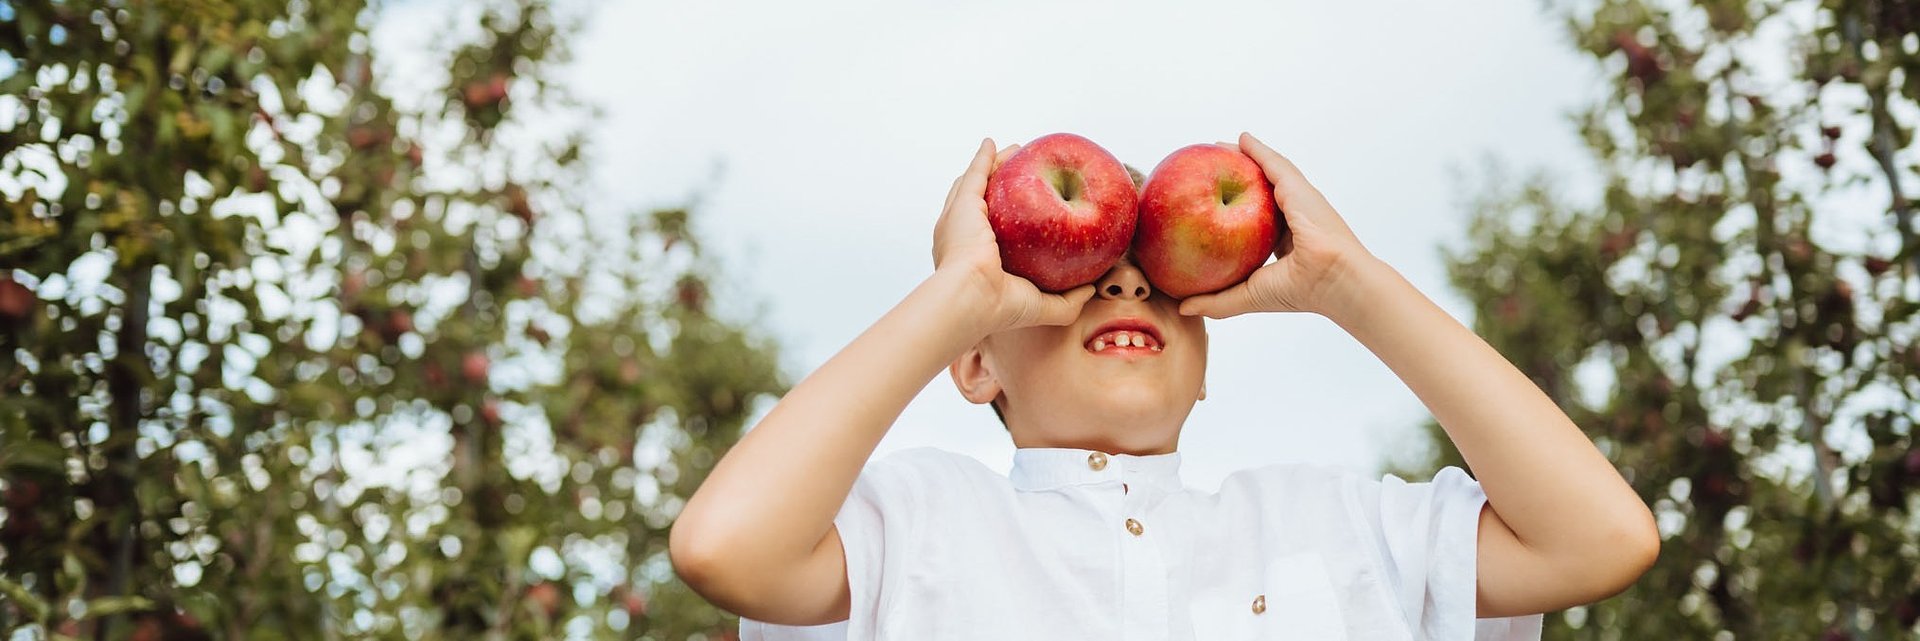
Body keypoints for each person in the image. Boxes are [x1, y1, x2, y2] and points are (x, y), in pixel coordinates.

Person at [668, 133, 1660, 640]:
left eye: (1155, 276)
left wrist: (1350, 285)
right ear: (975, 359)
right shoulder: (916, 520)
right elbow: (723, 547)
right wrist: (960, 289)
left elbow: (1602, 537)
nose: (1126, 282)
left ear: (1206, 356)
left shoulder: (1333, 523)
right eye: (1071, 279)